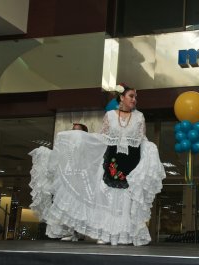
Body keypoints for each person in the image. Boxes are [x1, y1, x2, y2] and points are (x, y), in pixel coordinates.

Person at [29, 83, 166, 246]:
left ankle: (124, 235)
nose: (134, 100)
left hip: (131, 162)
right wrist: (78, 138)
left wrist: (150, 150)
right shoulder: (110, 115)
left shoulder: (139, 117)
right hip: (112, 161)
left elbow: (142, 139)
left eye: (136, 97)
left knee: (126, 199)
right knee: (108, 196)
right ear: (122, 97)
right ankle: (107, 233)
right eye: (131, 96)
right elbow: (103, 138)